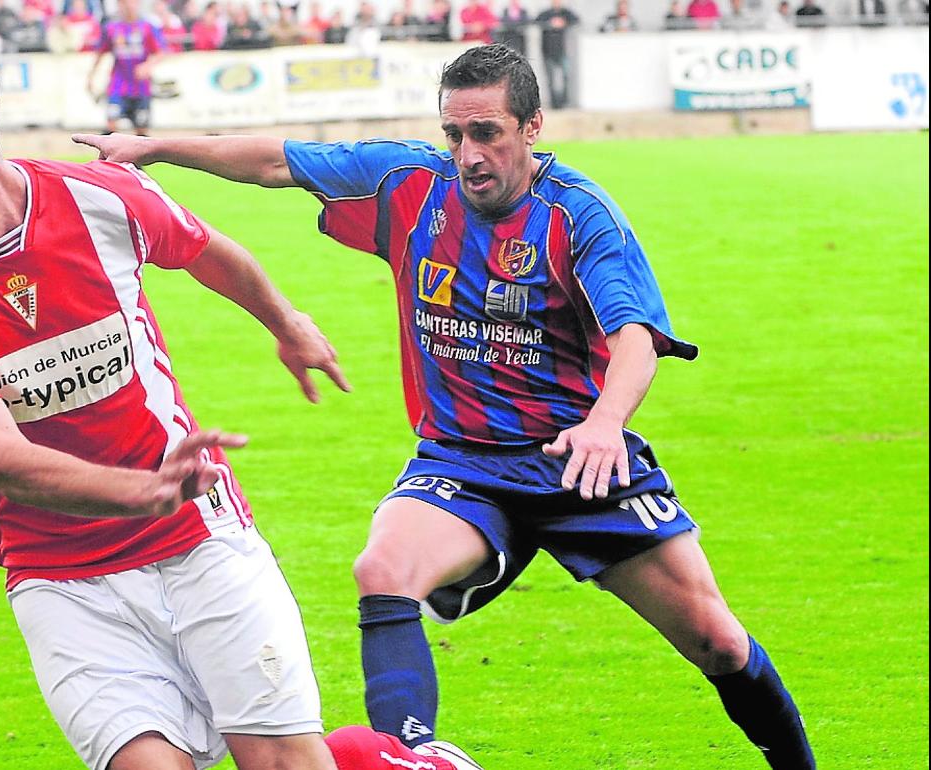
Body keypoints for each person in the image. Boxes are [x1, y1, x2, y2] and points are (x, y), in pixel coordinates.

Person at [73, 43, 818, 770]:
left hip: (578, 462)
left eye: (487, 133)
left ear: (531, 129)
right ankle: (414, 759)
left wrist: (603, 425)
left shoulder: (579, 215)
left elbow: (635, 340)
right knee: (383, 567)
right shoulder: (410, 184)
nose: (468, 154)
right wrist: (157, 148)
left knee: (718, 642)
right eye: (455, 134)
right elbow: (277, 160)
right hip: (461, 461)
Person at [0, 9, 484, 770]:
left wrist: (288, 321)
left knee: (284, 762)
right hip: (62, 581)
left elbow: (208, 250)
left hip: (201, 541)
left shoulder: (99, 199)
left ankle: (387, 760)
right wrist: (140, 491)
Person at [88, 0, 162, 136]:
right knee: (111, 125)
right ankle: (107, 157)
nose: (129, 6)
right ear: (119, 4)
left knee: (141, 131)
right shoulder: (111, 28)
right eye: (124, 2)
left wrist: (147, 66)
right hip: (118, 86)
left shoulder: (147, 27)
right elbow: (100, 53)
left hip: (141, 88)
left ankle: (137, 156)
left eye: (132, 2)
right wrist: (91, 77)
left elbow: (161, 52)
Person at [533, 0, 577, 109]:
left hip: (563, 52)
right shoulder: (546, 14)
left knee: (565, 77)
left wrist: (564, 23)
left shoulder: (566, 13)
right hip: (548, 52)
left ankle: (564, 101)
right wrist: (550, 23)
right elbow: (536, 22)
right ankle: (555, 104)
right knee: (551, 79)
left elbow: (576, 20)